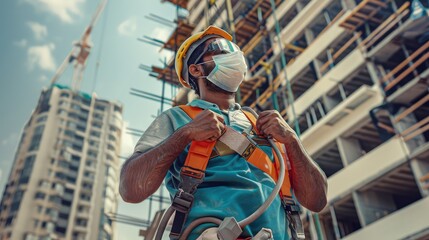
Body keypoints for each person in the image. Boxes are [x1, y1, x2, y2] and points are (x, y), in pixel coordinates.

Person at [120, 25, 327, 240]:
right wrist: (186, 134)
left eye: (235, 50)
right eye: (221, 49)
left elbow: (317, 201)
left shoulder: (266, 127)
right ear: (196, 69)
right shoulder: (176, 119)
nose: (234, 56)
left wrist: (292, 140)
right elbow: (131, 188)